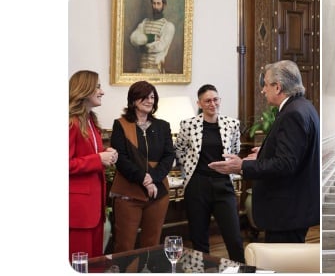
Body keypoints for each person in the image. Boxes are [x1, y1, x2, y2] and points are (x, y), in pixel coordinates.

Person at [209, 60, 320, 243]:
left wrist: (242, 165)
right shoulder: (304, 107)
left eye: (266, 85)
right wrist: (265, 152)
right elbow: (296, 151)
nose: (263, 90)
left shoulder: (292, 113)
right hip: (294, 209)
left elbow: (285, 164)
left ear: (277, 87)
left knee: (282, 266)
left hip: (286, 213)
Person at [175, 84, 245, 262]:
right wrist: (189, 168)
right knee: (199, 239)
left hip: (223, 183)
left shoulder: (232, 124)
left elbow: (235, 149)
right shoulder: (188, 125)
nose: (212, 104)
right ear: (199, 103)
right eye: (207, 101)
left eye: (215, 99)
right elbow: (180, 150)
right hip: (197, 185)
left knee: (234, 238)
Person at [109, 81, 175, 252]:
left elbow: (169, 156)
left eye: (152, 97)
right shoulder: (120, 124)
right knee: (124, 245)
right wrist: (144, 179)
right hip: (128, 191)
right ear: (133, 100)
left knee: (152, 244)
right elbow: (120, 158)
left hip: (158, 191)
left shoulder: (163, 126)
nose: (149, 100)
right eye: (144, 97)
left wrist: (153, 178)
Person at [69, 70, 118, 259]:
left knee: (94, 264)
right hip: (79, 212)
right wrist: (98, 159)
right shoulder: (71, 122)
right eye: (98, 86)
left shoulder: (91, 120)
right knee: (79, 265)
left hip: (95, 208)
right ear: (84, 89)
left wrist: (105, 155)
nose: (102, 91)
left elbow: (88, 156)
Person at [130, 0, 175, 74]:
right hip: (141, 70)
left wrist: (144, 47)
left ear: (163, 5)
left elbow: (160, 46)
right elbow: (134, 38)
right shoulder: (144, 22)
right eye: (154, 3)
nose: (156, 6)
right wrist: (151, 38)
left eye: (158, 3)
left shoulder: (168, 26)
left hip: (156, 71)